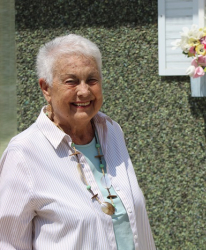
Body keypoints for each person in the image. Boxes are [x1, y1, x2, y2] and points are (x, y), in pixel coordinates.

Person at [0, 34, 156, 250]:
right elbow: (7, 243)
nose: (84, 91)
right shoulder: (24, 153)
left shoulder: (111, 131)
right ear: (46, 88)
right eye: (71, 81)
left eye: (92, 80)